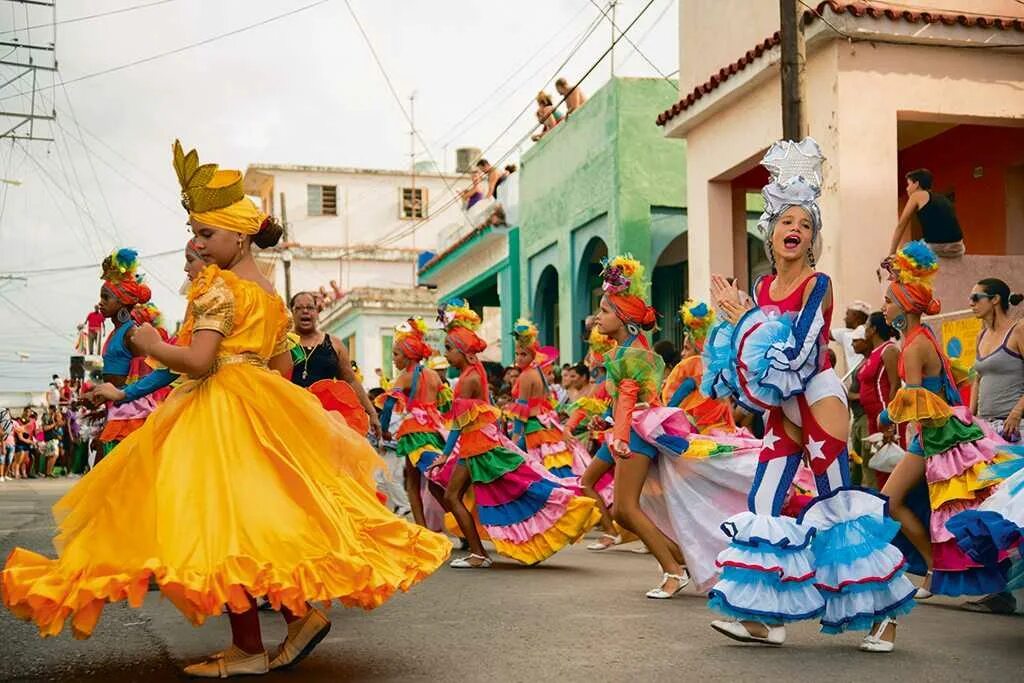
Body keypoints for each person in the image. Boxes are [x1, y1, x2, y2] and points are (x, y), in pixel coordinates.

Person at [2, 140, 451, 678]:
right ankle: (296, 617)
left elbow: (196, 360)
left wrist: (147, 345)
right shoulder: (271, 296)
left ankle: (249, 648)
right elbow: (283, 370)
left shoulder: (218, 290)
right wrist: (252, 392)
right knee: (253, 525)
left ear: (238, 235)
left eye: (204, 234)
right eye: (195, 233)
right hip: (260, 410)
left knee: (220, 526)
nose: (197, 244)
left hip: (218, 412)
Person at [705, 138, 915, 651]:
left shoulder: (817, 284)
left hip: (816, 399)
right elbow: (751, 357)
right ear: (769, 231)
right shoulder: (760, 287)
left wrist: (745, 320)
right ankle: (767, 616)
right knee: (765, 504)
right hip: (783, 406)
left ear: (812, 236)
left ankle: (884, 615)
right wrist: (736, 330)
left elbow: (798, 351)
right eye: (785, 221)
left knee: (836, 506)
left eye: (804, 223)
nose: (794, 230)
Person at [879, 241, 1008, 606]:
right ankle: (938, 567)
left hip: (932, 437)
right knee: (938, 506)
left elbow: (917, 397)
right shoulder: (920, 338)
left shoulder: (915, 344)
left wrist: (888, 414)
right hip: (931, 434)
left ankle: (934, 567)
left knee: (892, 501)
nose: (885, 307)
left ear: (904, 306)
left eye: (889, 301)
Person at [428, 300, 599, 568]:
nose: (445, 355)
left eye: (449, 349)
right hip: (481, 441)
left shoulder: (470, 380)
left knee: (477, 492)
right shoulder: (478, 371)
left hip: (479, 444)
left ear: (463, 351)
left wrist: (445, 453)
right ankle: (478, 551)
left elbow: (459, 424)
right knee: (490, 490)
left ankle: (478, 553)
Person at [377, 317, 450, 528]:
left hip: (414, 432)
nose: (393, 359)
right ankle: (458, 522)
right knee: (432, 483)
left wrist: (384, 430)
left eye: (396, 354)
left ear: (408, 356)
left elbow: (389, 405)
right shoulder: (434, 376)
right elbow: (445, 405)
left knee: (414, 483)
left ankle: (422, 529)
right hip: (435, 431)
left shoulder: (404, 376)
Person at [289, 291, 381, 440]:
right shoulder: (281, 343)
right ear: (291, 312)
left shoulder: (335, 344)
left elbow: (350, 381)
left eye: (310, 307)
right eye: (298, 308)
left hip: (327, 420)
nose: (305, 311)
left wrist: (371, 413)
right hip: (291, 418)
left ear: (317, 312)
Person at [506, 318, 588, 480]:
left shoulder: (526, 376)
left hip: (533, 428)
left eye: (524, 354)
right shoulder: (536, 372)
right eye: (517, 354)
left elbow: (521, 411)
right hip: (543, 425)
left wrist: (514, 441)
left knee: (540, 474)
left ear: (533, 355)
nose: (519, 358)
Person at [661, 300, 735, 432]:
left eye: (687, 348)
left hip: (708, 435)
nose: (682, 353)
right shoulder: (716, 378)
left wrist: (664, 414)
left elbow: (672, 406)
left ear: (699, 351)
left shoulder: (696, 377)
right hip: (718, 431)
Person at [970, 278, 1024, 441]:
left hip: (1014, 426)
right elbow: (978, 379)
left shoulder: (1018, 330)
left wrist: (1016, 413)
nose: (971, 304)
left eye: (976, 298)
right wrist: (970, 417)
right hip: (985, 426)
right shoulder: (981, 335)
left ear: (995, 299)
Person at [853, 312, 901, 489]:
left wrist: (890, 423)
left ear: (873, 329)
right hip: (872, 419)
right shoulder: (872, 353)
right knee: (878, 467)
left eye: (866, 325)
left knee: (891, 468)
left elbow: (895, 386)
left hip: (885, 417)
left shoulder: (889, 350)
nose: (864, 329)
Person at [889, 168, 965, 258]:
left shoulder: (916, 195)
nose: (907, 188)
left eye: (908, 184)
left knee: (906, 250)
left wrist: (891, 254)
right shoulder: (943, 198)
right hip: (958, 248)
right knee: (922, 242)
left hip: (936, 247)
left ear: (916, 184)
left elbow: (901, 225)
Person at [832, 300, 871, 372]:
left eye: (847, 315)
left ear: (856, 317)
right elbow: (827, 333)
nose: (844, 319)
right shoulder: (847, 332)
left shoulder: (864, 331)